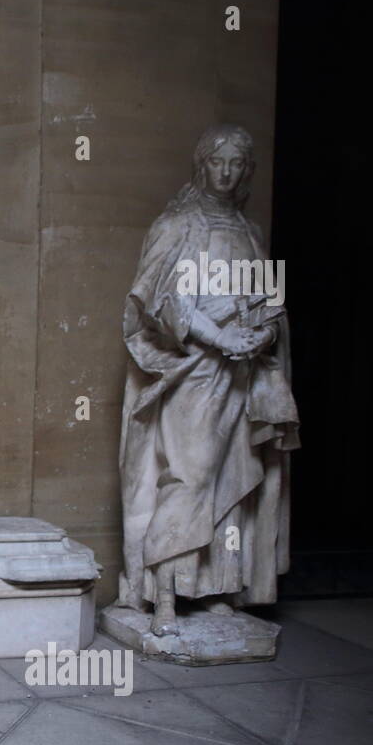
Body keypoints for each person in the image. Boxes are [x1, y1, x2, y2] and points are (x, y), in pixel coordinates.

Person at [115, 123, 300, 638]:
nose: (227, 171)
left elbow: (269, 301)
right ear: (202, 164)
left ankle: (215, 587)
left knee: (230, 482)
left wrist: (261, 336)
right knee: (189, 476)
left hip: (245, 375)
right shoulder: (178, 224)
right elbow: (155, 301)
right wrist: (220, 338)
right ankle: (165, 593)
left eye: (238, 163)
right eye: (219, 161)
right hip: (194, 372)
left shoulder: (249, 230)